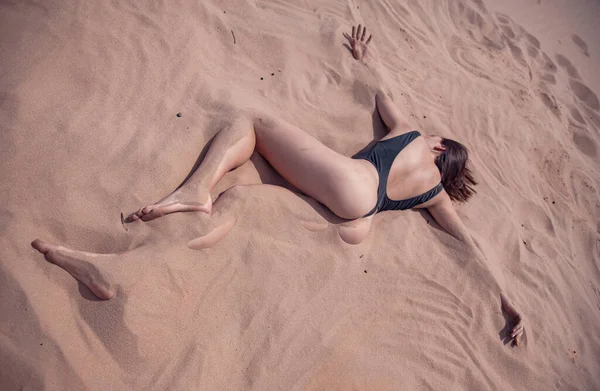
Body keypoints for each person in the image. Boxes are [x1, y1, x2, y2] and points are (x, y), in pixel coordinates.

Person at [31, 25, 524, 346]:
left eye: (438, 137)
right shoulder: (434, 195)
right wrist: (504, 298)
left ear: (440, 149)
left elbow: (383, 98)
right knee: (239, 205)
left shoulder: (413, 136)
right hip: (356, 221)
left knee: (252, 120)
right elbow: (467, 242)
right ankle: (117, 274)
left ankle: (193, 190)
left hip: (352, 183)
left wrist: (364, 57)